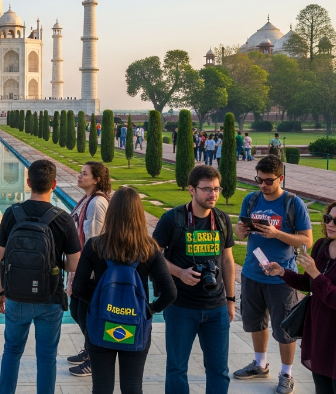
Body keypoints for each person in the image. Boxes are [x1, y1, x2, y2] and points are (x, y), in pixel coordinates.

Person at [73, 187, 177, 394]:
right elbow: (170, 293)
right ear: (139, 214)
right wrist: (148, 309)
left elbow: (78, 288)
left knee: (101, 387)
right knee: (132, 387)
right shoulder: (149, 249)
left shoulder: (95, 246)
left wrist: (98, 304)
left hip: (102, 323)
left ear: (111, 213)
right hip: (135, 324)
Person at [266, 199, 336, 394]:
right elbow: (309, 283)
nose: (330, 224)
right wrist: (282, 272)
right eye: (328, 218)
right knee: (322, 387)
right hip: (320, 328)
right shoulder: (322, 245)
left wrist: (316, 273)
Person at [0, 160, 81, 394]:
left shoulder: (12, 214)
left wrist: (0, 293)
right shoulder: (62, 218)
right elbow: (74, 264)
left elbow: (1, 260)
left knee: (12, 352)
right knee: (46, 357)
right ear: (54, 184)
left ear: (28, 182)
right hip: (50, 298)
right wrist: (52, 262)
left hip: (16, 296)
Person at [153, 165, 236, 394]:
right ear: (191, 189)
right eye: (207, 189)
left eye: (217, 189)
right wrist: (179, 272)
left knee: (219, 369)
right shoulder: (173, 219)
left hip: (216, 307)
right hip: (181, 306)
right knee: (177, 368)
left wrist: (230, 299)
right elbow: (151, 255)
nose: (214, 195)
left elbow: (228, 261)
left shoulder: (221, 220)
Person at [233, 155, 312, 394]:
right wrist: (240, 230)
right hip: (252, 272)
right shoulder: (251, 199)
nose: (263, 185)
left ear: (281, 178)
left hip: (282, 277)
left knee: (284, 328)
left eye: (268, 180)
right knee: (255, 322)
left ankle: (286, 374)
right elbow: (239, 235)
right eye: (259, 179)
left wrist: (277, 234)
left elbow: (306, 239)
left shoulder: (293, 203)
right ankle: (260, 363)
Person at [67, 161, 111, 377]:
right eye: (80, 172)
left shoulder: (96, 203)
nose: (79, 176)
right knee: (78, 311)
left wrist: (85, 273)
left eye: (85, 174)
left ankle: (96, 358)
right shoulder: (87, 199)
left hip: (91, 270)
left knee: (85, 313)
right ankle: (89, 348)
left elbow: (94, 240)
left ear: (97, 179)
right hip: (83, 267)